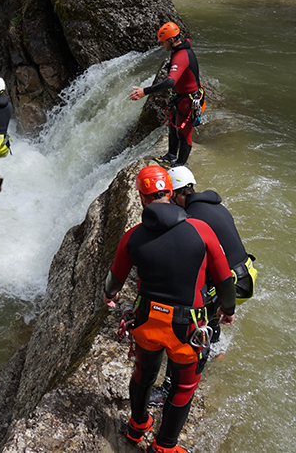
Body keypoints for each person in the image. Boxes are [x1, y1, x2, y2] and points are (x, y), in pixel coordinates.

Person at [103, 164, 235, 453]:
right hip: (187, 329)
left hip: (147, 323)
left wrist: (109, 296)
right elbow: (225, 278)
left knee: (143, 373)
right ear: (170, 193)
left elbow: (114, 279)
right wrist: (227, 309)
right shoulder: (201, 230)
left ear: (142, 198)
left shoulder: (133, 236)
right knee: (183, 387)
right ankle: (164, 447)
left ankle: (138, 426)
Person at [168, 165, 257, 342]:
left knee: (199, 311)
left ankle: (208, 351)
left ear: (175, 194)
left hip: (233, 282)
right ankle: (216, 347)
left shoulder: (193, 217)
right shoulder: (214, 205)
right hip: (246, 273)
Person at [129, 21, 203, 168]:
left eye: (163, 43)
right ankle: (171, 156)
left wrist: (145, 91)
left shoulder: (181, 55)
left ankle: (181, 165)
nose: (162, 46)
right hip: (180, 98)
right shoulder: (179, 51)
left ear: (171, 40)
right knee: (172, 126)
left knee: (184, 134)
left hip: (189, 100)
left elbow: (170, 82)